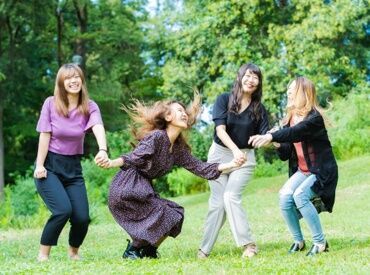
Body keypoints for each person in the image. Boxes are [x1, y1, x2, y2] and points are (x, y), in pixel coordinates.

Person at [97, 93, 244, 260]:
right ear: (168, 116)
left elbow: (201, 168)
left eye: (185, 112)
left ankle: (149, 250)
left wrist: (232, 164)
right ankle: (133, 249)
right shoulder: (157, 137)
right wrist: (111, 162)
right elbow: (134, 157)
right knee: (164, 212)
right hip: (127, 186)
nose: (184, 114)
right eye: (179, 110)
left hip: (142, 187)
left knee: (175, 214)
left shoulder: (178, 149)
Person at [248, 76, 338, 256]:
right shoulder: (289, 119)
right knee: (284, 197)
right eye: (288, 89)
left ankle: (320, 243)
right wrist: (275, 142)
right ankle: (299, 241)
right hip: (303, 172)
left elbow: (296, 132)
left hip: (321, 172)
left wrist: (273, 136)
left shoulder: (314, 118)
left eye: (293, 89)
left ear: (304, 93)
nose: (288, 92)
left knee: (300, 195)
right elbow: (285, 154)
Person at [34, 63, 109, 261]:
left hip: (73, 168)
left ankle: (73, 252)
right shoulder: (50, 103)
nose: (73, 80)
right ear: (61, 82)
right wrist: (39, 165)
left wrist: (103, 149)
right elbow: (44, 135)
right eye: (68, 78)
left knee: (82, 218)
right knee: (62, 210)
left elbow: (98, 126)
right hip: (49, 167)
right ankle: (43, 254)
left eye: (76, 76)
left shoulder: (89, 106)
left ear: (82, 80)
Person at [198, 63, 269, 259]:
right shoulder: (223, 99)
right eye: (247, 75)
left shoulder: (260, 109)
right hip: (220, 155)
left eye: (255, 77)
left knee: (230, 197)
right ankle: (204, 250)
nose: (251, 80)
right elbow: (220, 130)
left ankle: (249, 245)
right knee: (217, 204)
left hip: (245, 158)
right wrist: (235, 151)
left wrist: (272, 139)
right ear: (239, 78)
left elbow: (264, 137)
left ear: (259, 83)